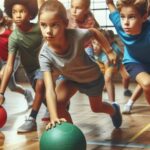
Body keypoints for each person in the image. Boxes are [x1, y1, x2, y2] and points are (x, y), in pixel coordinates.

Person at [38, 0, 122, 129]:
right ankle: (71, 134)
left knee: (96, 108)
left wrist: (109, 51)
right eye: (43, 25)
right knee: (58, 104)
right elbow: (49, 89)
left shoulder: (75, 35)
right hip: (71, 79)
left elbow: (94, 32)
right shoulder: (44, 55)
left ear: (65, 24)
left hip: (92, 78)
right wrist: (53, 116)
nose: (48, 31)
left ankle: (114, 110)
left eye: (54, 25)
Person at [0, 0, 47, 133]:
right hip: (30, 71)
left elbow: (44, 10)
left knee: (40, 85)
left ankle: (31, 119)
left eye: (22, 11)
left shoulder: (40, 28)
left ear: (31, 13)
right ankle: (58, 105)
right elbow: (9, 66)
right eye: (14, 12)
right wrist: (1, 93)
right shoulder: (14, 37)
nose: (18, 15)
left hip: (46, 66)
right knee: (42, 96)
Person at [105, 0, 150, 112]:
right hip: (133, 61)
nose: (125, 22)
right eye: (122, 17)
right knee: (147, 83)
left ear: (144, 17)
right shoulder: (119, 24)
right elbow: (109, 3)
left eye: (131, 17)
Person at [0, 9, 33, 109]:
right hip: (1, 60)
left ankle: (27, 93)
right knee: (12, 87)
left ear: (1, 19)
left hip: (13, 58)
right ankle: (26, 93)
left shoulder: (10, 34)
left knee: (4, 76)